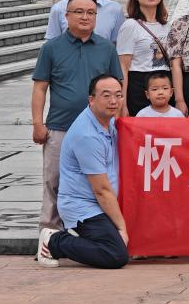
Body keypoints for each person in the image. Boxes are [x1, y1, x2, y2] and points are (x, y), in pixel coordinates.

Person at [31, 0, 123, 232]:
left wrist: (117, 123)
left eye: (91, 13)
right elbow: (40, 88)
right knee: (53, 182)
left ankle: (93, 234)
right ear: (67, 15)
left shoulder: (106, 48)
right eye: (79, 12)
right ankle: (49, 235)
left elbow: (117, 87)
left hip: (99, 130)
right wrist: (38, 123)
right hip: (60, 127)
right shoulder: (51, 48)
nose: (85, 17)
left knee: (101, 181)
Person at [36, 74, 129, 270]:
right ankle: (53, 242)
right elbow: (101, 190)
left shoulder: (108, 121)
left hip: (100, 203)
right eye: (106, 95)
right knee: (116, 254)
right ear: (91, 99)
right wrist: (121, 227)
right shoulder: (87, 135)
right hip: (84, 207)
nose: (114, 101)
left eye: (118, 95)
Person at [116, 0, 170, 117]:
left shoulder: (167, 26)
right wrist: (123, 103)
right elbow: (123, 67)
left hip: (164, 84)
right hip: (139, 87)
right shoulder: (130, 25)